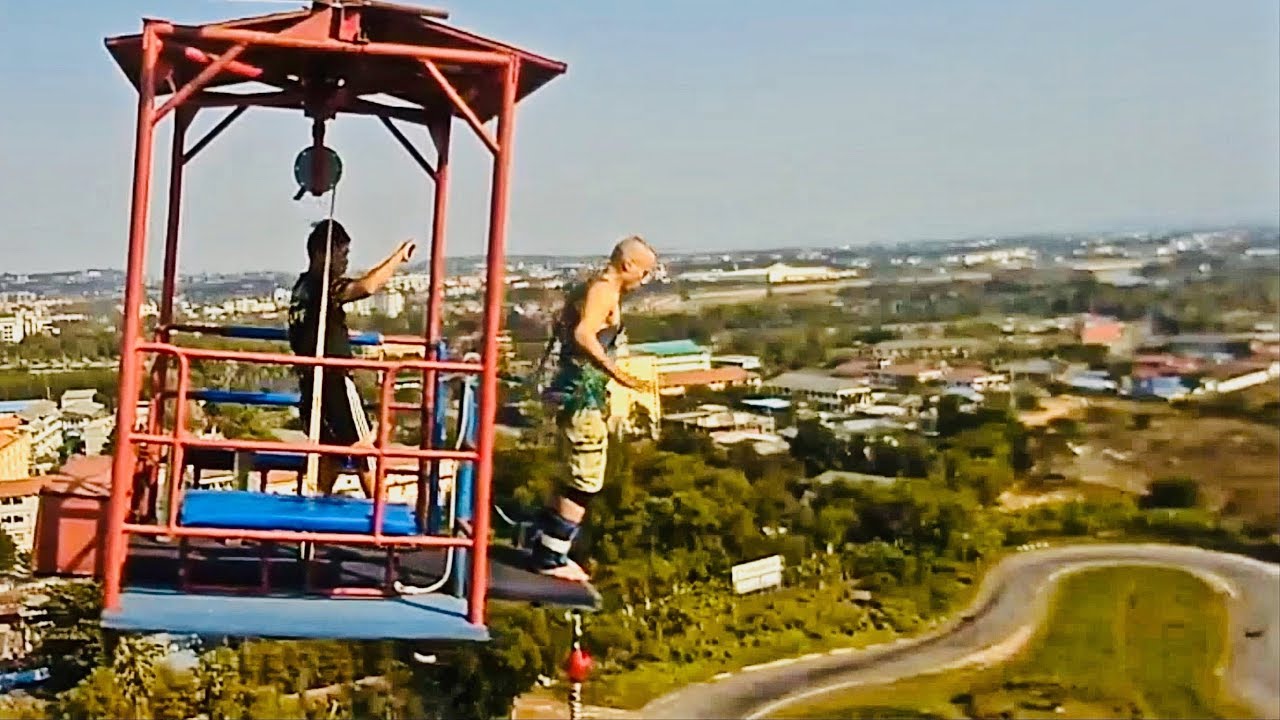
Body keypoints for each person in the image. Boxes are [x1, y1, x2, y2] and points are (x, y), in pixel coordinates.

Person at [532, 235, 659, 582]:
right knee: (585, 478)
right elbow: (584, 334)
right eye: (644, 272)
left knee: (572, 471)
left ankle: (544, 542)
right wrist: (616, 373)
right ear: (627, 264)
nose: (644, 281)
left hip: (576, 392)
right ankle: (551, 555)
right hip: (581, 395)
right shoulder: (603, 289)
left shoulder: (594, 286)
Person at [287, 219, 415, 497]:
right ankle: (381, 520)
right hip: (334, 380)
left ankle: (312, 516)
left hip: (311, 381)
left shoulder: (302, 287)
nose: (345, 261)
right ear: (323, 253)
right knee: (364, 450)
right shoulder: (324, 287)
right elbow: (367, 287)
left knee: (329, 453)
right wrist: (398, 257)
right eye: (342, 254)